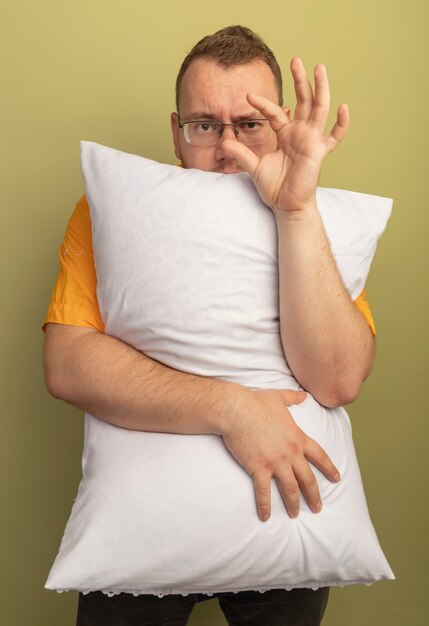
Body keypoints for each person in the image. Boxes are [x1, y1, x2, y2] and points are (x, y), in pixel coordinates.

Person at [43, 25, 376, 626]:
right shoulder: (110, 211)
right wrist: (233, 408)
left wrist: (296, 213)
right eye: (204, 125)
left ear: (279, 129)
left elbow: (338, 379)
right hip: (143, 530)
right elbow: (67, 363)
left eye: (250, 125)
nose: (227, 149)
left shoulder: (321, 222)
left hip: (286, 516)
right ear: (176, 133)